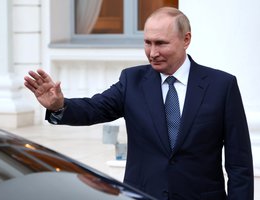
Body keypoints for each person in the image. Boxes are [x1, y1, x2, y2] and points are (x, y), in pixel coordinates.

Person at [24, 7, 253, 200]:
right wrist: (58, 106)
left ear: (186, 40)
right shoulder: (131, 81)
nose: (152, 53)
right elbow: (94, 108)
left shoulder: (222, 85)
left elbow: (239, 163)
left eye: (161, 43)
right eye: (147, 43)